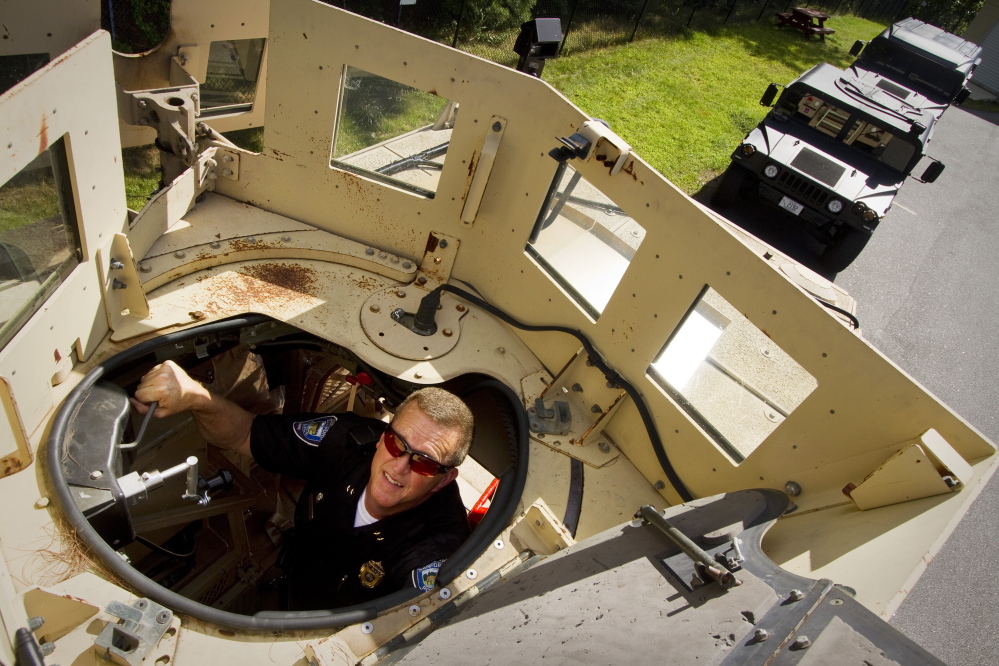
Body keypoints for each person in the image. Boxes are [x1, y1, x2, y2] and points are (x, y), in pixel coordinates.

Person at [131, 360, 474, 609]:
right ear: (383, 434)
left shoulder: (438, 545)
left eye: (425, 462)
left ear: (445, 479)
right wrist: (194, 396)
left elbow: (424, 617)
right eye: (397, 443)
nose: (398, 467)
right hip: (293, 584)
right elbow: (245, 433)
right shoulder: (345, 440)